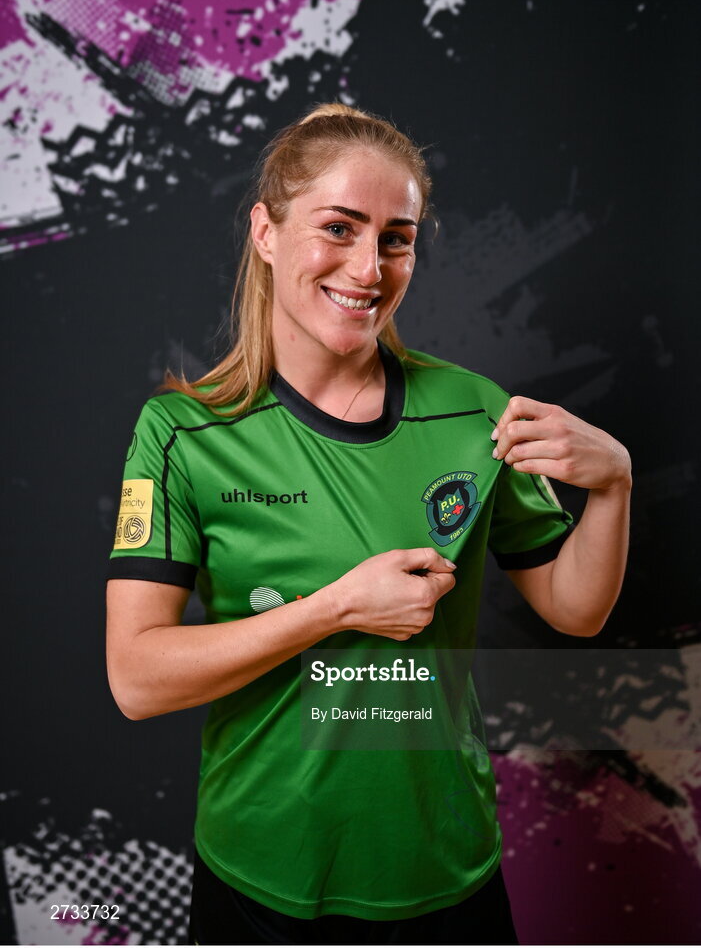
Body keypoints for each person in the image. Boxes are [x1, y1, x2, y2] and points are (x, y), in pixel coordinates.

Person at [106, 103, 632, 946]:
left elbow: (576, 609)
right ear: (266, 232)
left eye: (397, 237)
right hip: (260, 876)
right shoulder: (181, 432)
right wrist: (335, 608)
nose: (368, 266)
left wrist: (613, 485)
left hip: (444, 873)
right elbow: (136, 677)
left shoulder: (473, 413)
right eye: (338, 228)